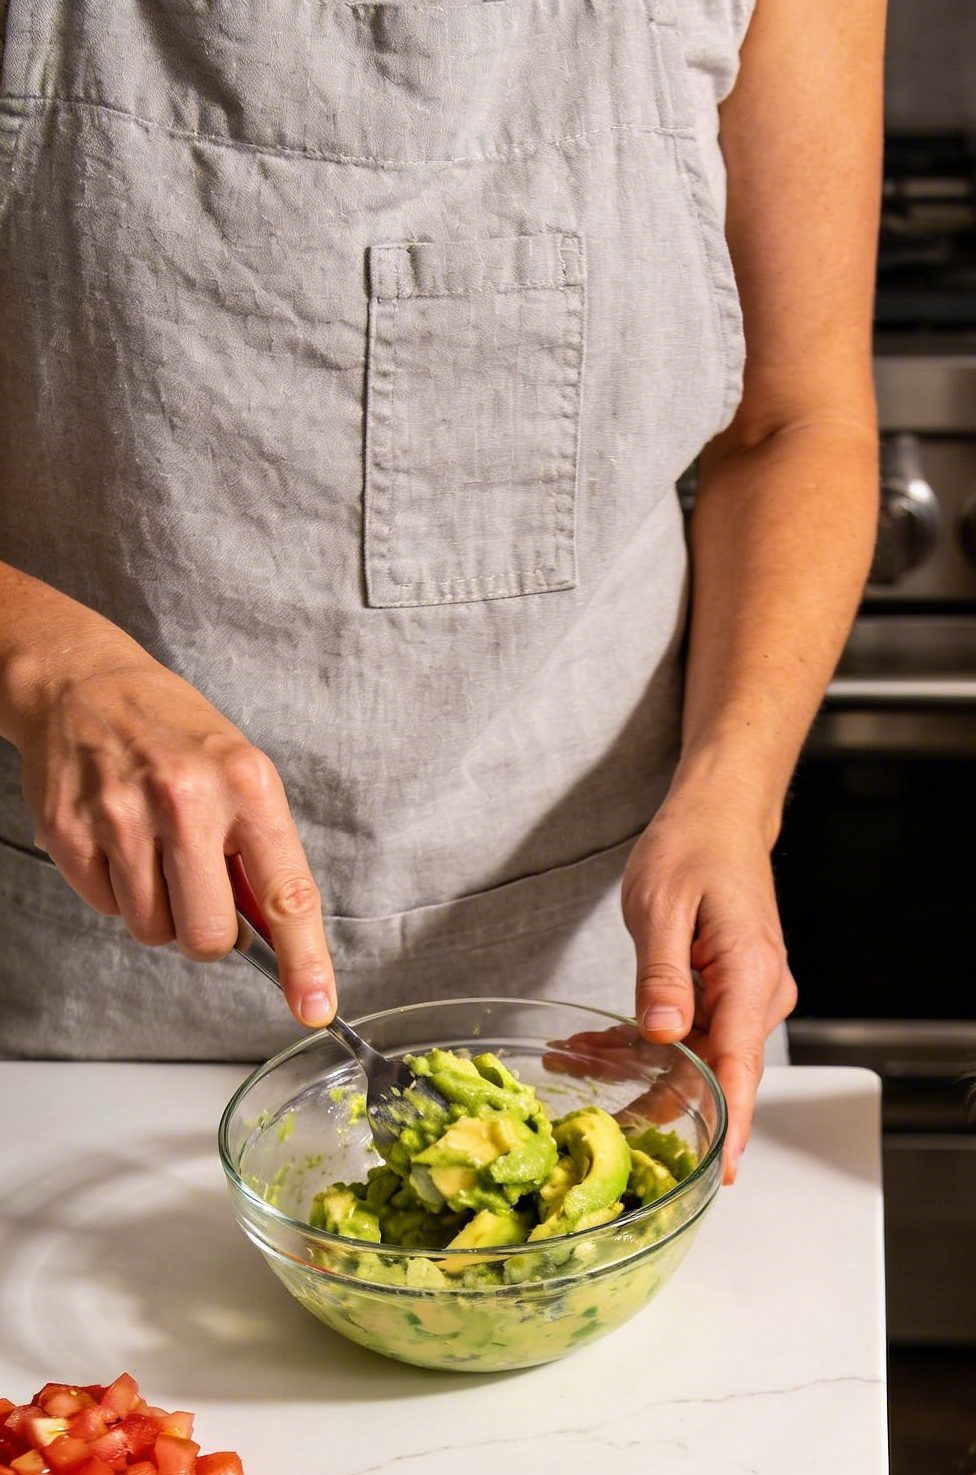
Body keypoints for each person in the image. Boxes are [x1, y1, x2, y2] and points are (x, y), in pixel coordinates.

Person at [0, 0, 883, 1177]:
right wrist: (53, 663)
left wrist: (734, 795)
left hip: (581, 985)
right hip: (59, 995)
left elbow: (794, 421)